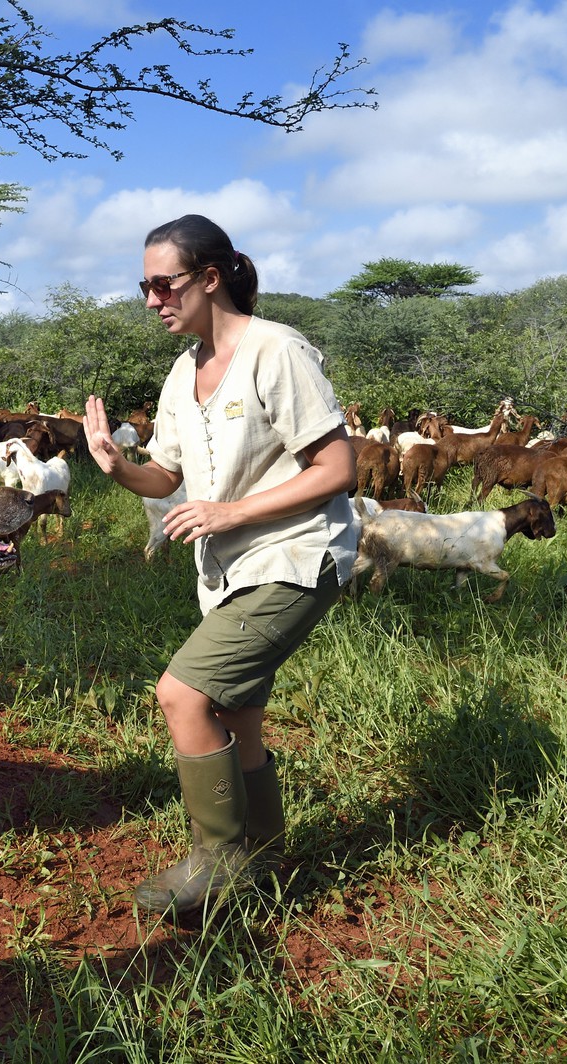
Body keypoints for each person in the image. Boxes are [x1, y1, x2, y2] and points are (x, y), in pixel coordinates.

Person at [83, 214, 359, 919]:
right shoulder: (182, 373)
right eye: (144, 287)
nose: (152, 301)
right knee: (237, 715)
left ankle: (219, 859)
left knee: (181, 694)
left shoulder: (275, 351)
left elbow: (338, 468)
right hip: (230, 568)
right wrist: (118, 467)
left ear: (210, 278)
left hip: (296, 555)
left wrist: (232, 513)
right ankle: (266, 862)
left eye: (163, 284)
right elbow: (165, 477)